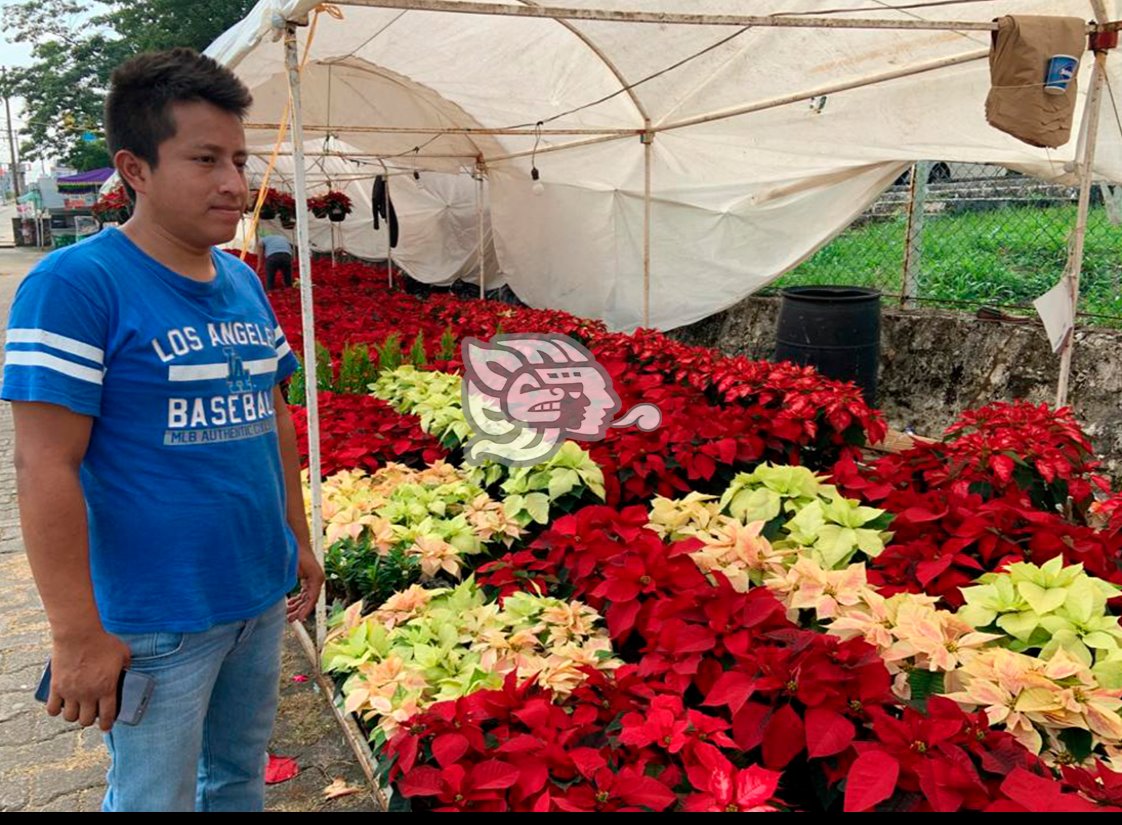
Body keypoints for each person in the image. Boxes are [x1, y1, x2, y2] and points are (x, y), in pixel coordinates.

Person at [1, 48, 323, 812]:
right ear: (135, 169)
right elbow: (43, 463)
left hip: (254, 596)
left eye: (239, 159)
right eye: (205, 158)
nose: (234, 182)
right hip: (155, 620)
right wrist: (77, 631)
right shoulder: (76, 286)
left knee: (237, 779)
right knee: (155, 797)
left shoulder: (241, 279)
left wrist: (298, 540)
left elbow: (271, 415)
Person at [255, 225, 293, 290]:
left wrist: (259, 264)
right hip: (286, 256)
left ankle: (269, 290)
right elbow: (289, 248)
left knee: (270, 276)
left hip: (273, 257)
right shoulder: (283, 238)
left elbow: (260, 248)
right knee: (287, 276)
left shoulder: (264, 239)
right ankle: (289, 287)